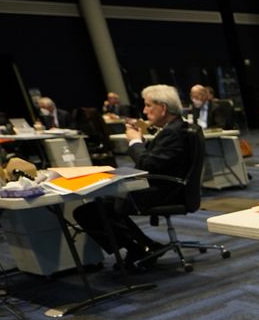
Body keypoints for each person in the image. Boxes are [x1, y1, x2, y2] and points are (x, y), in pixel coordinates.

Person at [73, 85, 195, 271]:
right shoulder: (176, 127)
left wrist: (134, 142)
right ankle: (143, 246)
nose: (144, 111)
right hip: (165, 186)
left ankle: (139, 248)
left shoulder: (173, 132)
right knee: (99, 206)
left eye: (148, 106)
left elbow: (149, 165)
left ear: (162, 108)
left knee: (90, 210)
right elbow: (157, 161)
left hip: (164, 191)